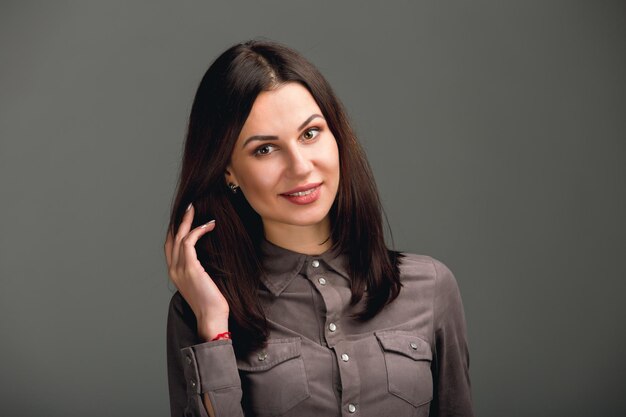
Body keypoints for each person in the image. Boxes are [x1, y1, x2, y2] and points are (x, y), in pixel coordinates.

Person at [164, 40, 473, 417]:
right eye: (265, 149)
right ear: (228, 170)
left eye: (310, 134)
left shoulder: (432, 288)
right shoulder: (199, 310)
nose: (300, 166)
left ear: (336, 137)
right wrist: (214, 327)